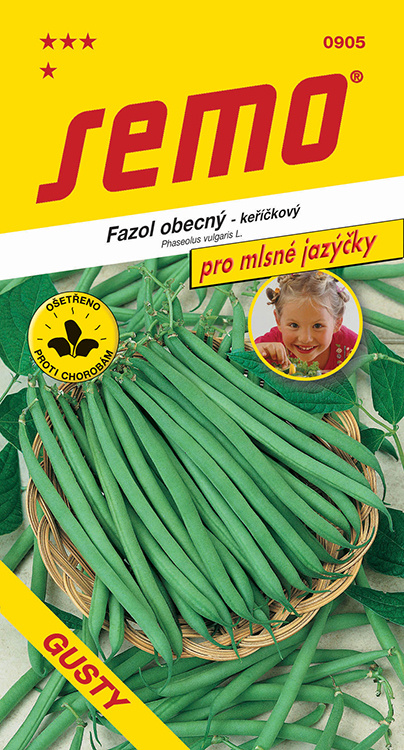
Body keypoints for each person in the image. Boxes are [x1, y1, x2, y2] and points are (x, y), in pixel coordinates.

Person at [254, 271, 358, 372]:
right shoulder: (272, 343)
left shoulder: (351, 345)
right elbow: (247, 356)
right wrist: (259, 352)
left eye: (317, 326)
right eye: (294, 325)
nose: (305, 339)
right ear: (278, 320)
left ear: (337, 323)